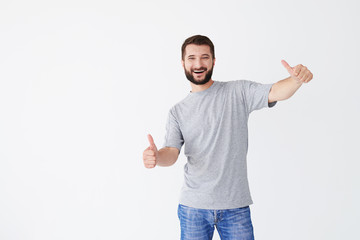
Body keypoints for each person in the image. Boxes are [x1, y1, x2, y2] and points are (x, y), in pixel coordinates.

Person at [142, 35, 313, 240]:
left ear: (213, 61)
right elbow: (171, 152)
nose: (198, 64)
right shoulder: (177, 112)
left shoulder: (237, 92)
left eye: (205, 57)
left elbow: (276, 91)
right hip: (193, 208)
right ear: (183, 63)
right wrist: (157, 157)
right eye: (192, 58)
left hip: (235, 207)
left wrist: (296, 80)